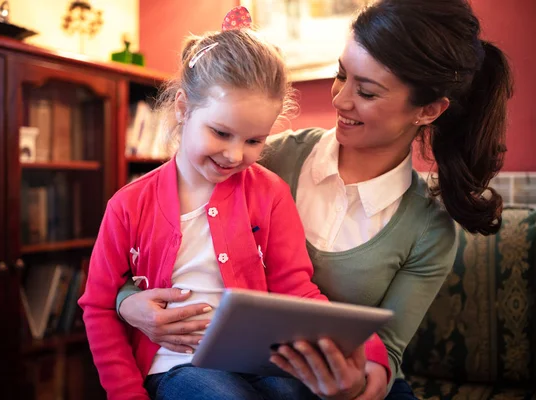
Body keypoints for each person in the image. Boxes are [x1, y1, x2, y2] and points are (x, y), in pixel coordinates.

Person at [115, 0, 513, 399]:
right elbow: (153, 245)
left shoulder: (429, 230)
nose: (339, 100)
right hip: (226, 370)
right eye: (342, 74)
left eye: (367, 91)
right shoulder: (259, 157)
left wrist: (353, 386)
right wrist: (127, 303)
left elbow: (385, 354)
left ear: (428, 110)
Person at [78, 7, 390, 400]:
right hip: (177, 366)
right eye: (221, 132)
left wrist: (368, 348)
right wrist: (127, 395)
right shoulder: (128, 204)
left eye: (254, 141)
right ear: (182, 108)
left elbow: (296, 290)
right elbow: (99, 307)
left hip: (258, 362)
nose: (233, 154)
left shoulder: (270, 193)